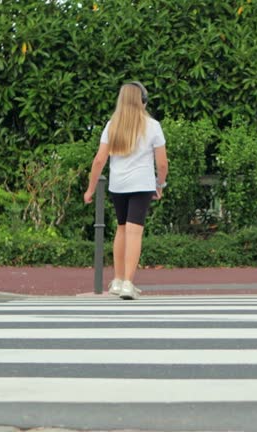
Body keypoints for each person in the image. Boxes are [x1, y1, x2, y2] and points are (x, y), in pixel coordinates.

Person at [84, 81, 168, 300]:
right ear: (143, 100)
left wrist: (91, 188)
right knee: (134, 231)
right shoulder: (152, 126)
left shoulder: (112, 125)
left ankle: (118, 280)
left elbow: (99, 159)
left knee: (121, 229)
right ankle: (129, 283)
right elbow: (162, 164)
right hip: (142, 184)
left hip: (118, 185)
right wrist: (160, 185)